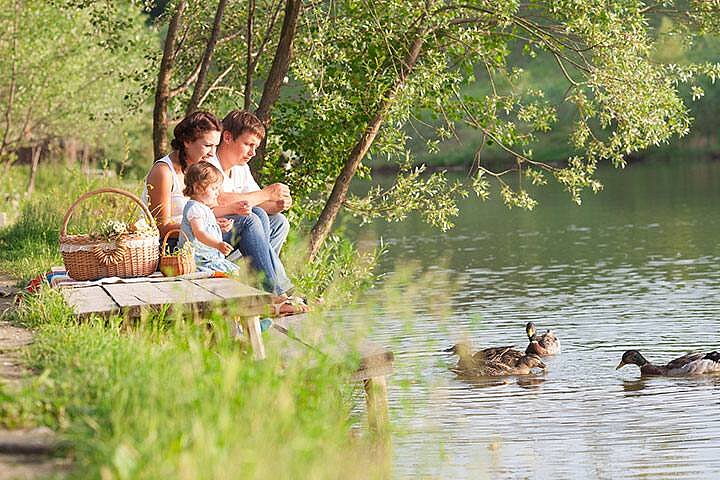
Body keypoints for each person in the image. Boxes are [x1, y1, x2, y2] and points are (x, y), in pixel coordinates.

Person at [209, 110, 292, 255]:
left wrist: (279, 204)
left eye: (256, 147)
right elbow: (220, 199)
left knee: (279, 222)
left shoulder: (241, 168)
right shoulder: (208, 164)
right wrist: (267, 193)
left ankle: (258, 269)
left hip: (233, 234)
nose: (252, 153)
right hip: (212, 235)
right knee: (256, 215)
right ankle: (264, 272)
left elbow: (259, 201)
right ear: (227, 137)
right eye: (248, 144)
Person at [179, 161, 238, 273]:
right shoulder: (195, 208)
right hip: (199, 260)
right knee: (232, 274)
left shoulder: (203, 207)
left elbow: (204, 228)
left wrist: (217, 226)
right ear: (198, 188)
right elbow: (199, 233)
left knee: (233, 272)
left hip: (209, 258)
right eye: (214, 188)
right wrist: (218, 244)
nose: (217, 193)